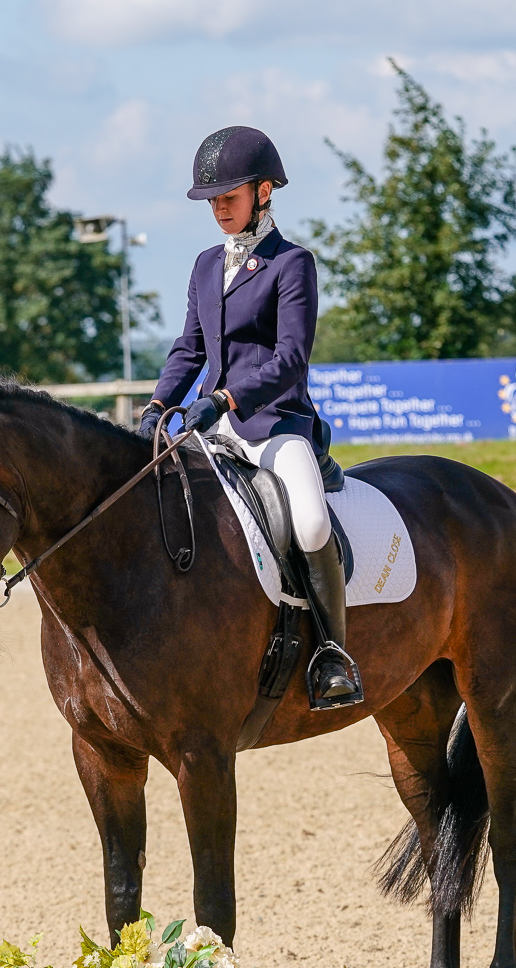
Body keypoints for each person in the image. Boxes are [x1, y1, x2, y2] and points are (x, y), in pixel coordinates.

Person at [140, 125, 361, 710]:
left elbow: (291, 359)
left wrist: (228, 398)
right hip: (209, 425)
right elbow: (189, 347)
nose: (218, 209)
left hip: (273, 422)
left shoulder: (293, 264)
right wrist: (160, 404)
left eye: (229, 197)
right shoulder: (205, 265)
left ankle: (333, 655)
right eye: (212, 200)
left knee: (311, 522)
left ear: (264, 191)